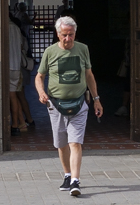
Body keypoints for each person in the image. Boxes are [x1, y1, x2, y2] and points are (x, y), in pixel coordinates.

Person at [35, 15, 103, 196]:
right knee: (61, 143)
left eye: (71, 35)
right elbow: (39, 76)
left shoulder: (83, 49)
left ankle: (75, 180)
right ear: (58, 34)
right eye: (64, 35)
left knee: (75, 143)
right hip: (56, 105)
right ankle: (67, 174)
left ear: (75, 33)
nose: (68, 39)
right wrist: (41, 92)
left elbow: (89, 75)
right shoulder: (50, 52)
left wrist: (96, 98)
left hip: (79, 103)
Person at [7, 10, 29, 133]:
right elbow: (21, 46)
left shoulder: (5, 27)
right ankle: (19, 122)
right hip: (16, 65)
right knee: (14, 95)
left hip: (7, 66)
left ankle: (14, 124)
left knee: (10, 96)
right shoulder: (16, 28)